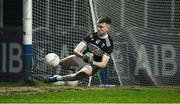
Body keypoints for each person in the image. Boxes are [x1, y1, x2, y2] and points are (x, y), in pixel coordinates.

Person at [44, 16, 114, 83]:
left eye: (101, 27)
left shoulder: (108, 44)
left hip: (92, 66)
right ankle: (75, 68)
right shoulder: (92, 36)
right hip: (82, 58)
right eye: (98, 26)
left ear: (108, 28)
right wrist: (84, 56)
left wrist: (91, 61)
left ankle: (57, 78)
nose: (98, 28)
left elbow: (103, 64)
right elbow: (76, 50)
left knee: (82, 73)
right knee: (59, 63)